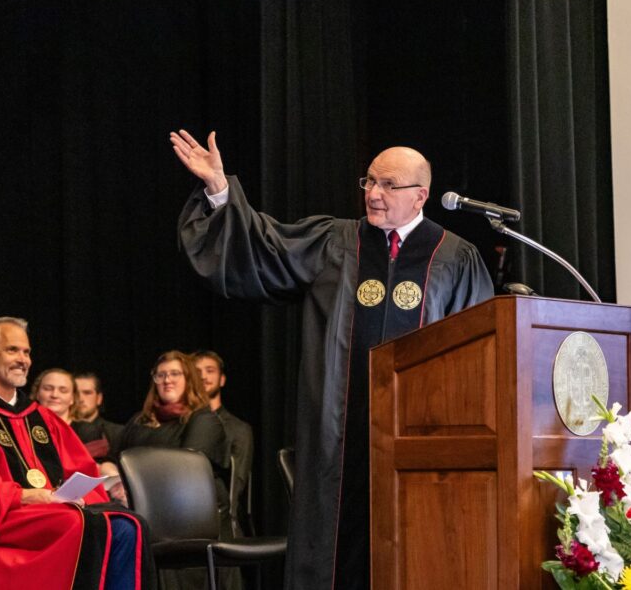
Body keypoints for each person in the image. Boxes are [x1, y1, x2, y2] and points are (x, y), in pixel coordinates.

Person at [171, 130, 494, 589]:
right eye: (369, 182)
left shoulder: (457, 258)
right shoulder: (335, 242)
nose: (374, 195)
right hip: (337, 438)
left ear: (421, 195)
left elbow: (475, 352)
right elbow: (262, 247)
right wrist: (220, 191)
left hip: (421, 440)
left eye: (388, 186)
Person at [0, 317, 155, 589]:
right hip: (2, 522)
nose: (23, 359)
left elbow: (82, 469)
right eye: (12, 350)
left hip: (51, 514)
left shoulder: (42, 418)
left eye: (27, 352)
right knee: (81, 524)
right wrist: (26, 495)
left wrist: (76, 495)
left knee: (130, 524)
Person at [117, 350, 237, 589]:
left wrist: (133, 487)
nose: (166, 380)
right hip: (143, 513)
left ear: (189, 378)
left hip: (187, 518)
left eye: (174, 374)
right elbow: (116, 457)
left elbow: (185, 469)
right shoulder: (139, 421)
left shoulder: (203, 419)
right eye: (160, 375)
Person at [193, 350, 254, 535]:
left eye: (210, 370)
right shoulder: (181, 424)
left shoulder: (238, 428)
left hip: (221, 523)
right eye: (197, 372)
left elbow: (237, 484)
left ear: (222, 379)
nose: (203, 376)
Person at [71, 372, 125, 463]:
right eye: (75, 393)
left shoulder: (117, 433)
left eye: (87, 393)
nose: (80, 399)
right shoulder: (59, 431)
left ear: (99, 398)